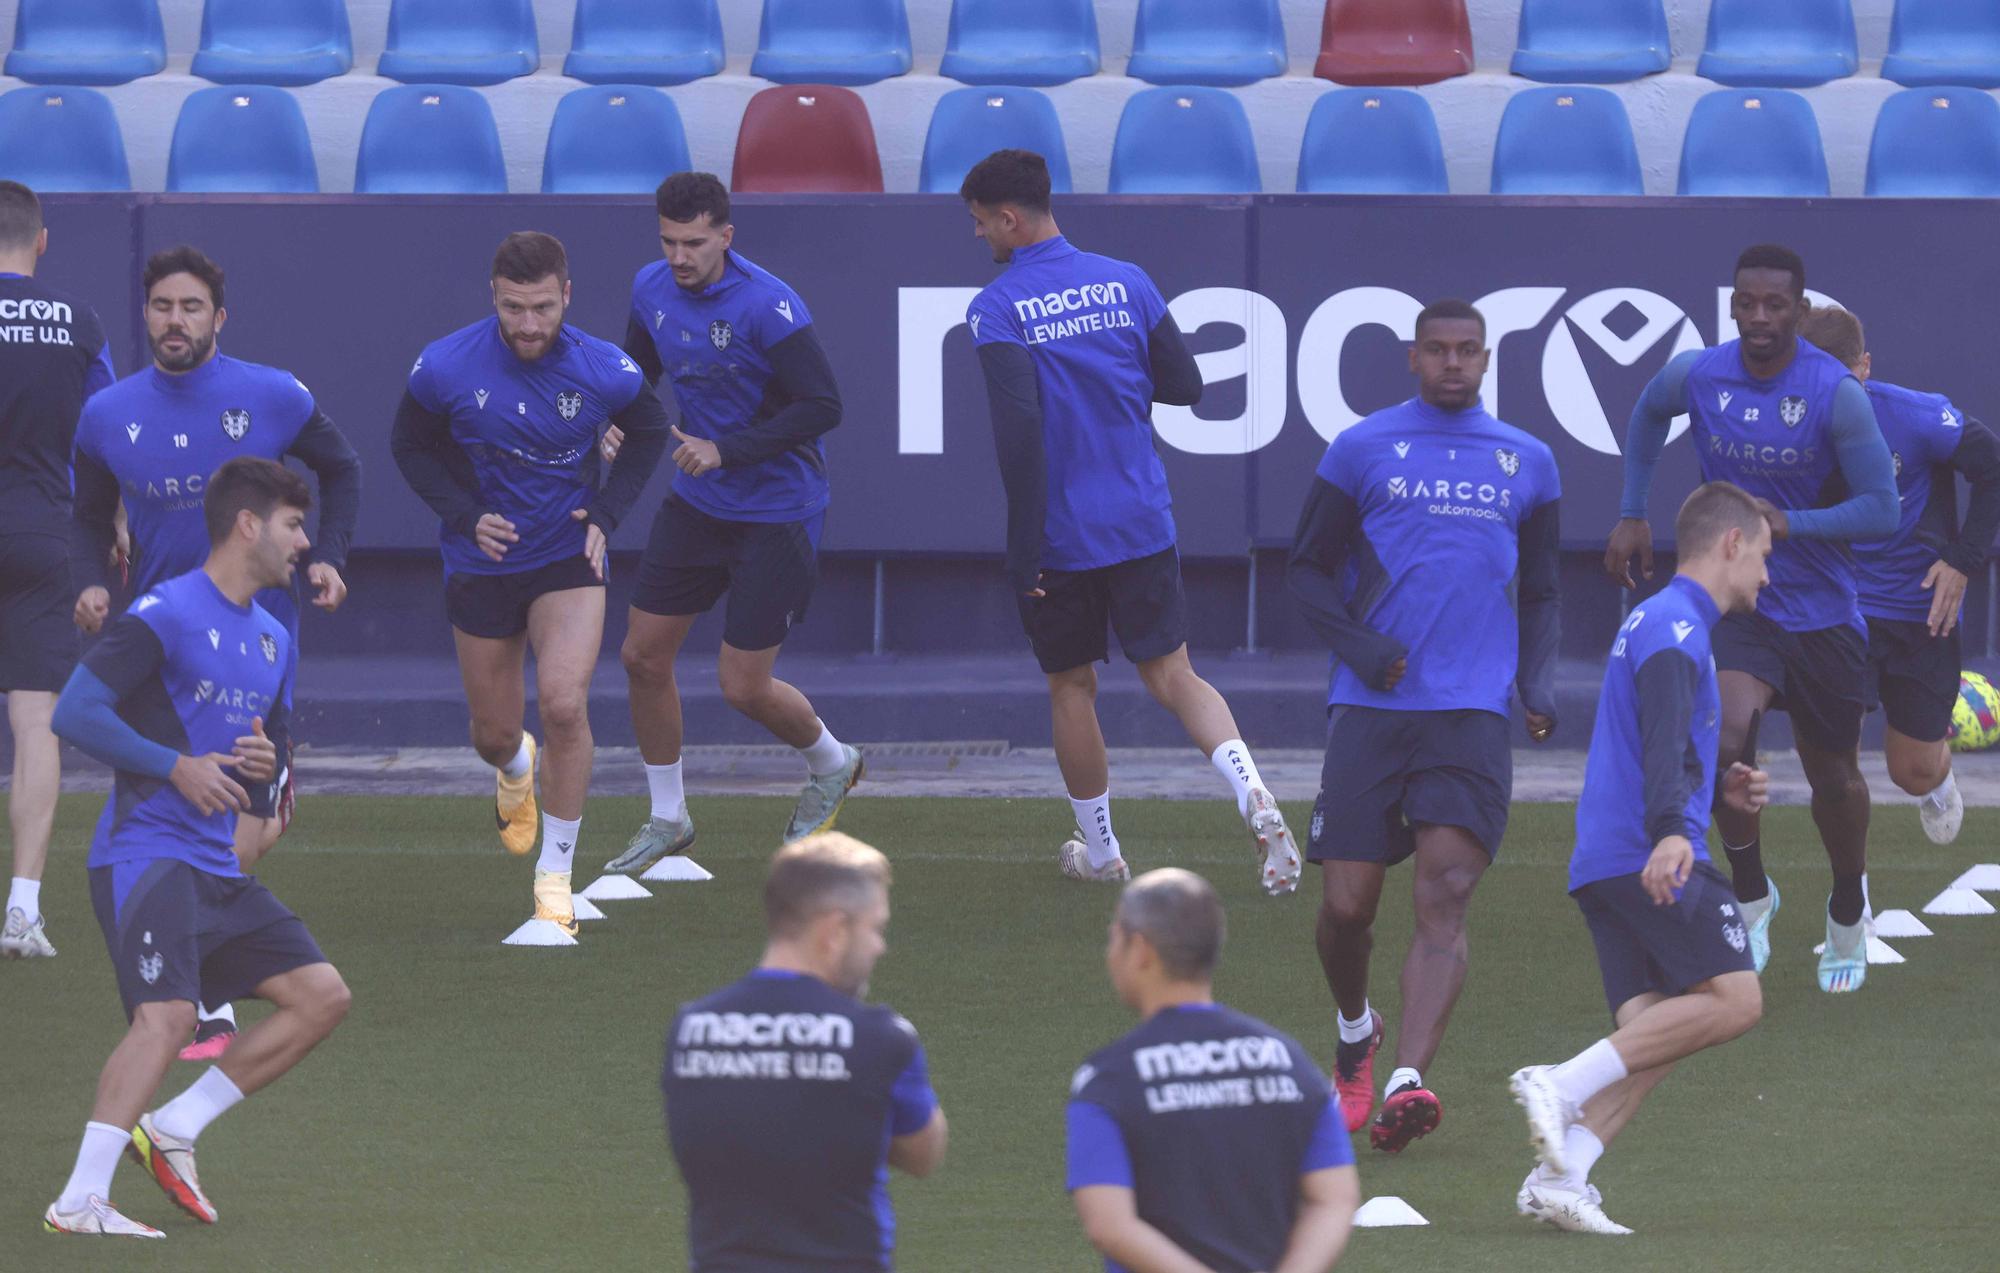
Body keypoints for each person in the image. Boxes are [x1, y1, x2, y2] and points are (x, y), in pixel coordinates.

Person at [958, 148, 1300, 894]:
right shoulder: (1128, 280)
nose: (981, 238)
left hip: (1062, 532)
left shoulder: (997, 308)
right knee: (1175, 673)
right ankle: (1254, 792)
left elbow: (1019, 437)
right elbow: (1186, 384)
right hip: (1142, 517)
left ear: (1010, 220)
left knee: (1071, 687)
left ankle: (1104, 852)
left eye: (983, 225)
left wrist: (1023, 554)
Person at [42, 457, 352, 1238]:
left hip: (217, 868)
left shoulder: (276, 639)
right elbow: (74, 713)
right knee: (169, 1016)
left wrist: (262, 767)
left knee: (323, 997)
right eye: (292, 523)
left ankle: (173, 1127)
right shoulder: (165, 611)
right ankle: (79, 1199)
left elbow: (265, 767)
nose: (305, 540)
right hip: (145, 854)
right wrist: (174, 765)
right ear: (248, 524)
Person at [71, 245, 361, 1054]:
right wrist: (91, 582)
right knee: (185, 805)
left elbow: (342, 468)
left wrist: (329, 552)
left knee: (259, 820)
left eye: (191, 307)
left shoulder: (273, 395)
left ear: (218, 318)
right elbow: (87, 513)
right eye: (162, 306)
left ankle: (194, 970)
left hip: (257, 656)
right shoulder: (107, 414)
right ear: (146, 315)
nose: (175, 320)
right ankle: (195, 992)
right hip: (159, 654)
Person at [1286, 298, 1561, 1152]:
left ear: (1486, 360)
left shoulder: (1530, 461)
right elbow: (1305, 568)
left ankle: (1407, 1078)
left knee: (1444, 895)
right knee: (1346, 907)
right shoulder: (1362, 447)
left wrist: (1537, 682)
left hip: (1471, 711)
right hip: (1371, 709)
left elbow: (1545, 590)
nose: (1452, 362)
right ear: (1412, 358)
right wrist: (1361, 648)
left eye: (1467, 351)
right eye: (1437, 350)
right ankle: (1354, 1029)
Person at [1607, 244, 1898, 994]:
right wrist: (1633, 510)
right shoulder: (1701, 374)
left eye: (1776, 306)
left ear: (1800, 312)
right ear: (1732, 306)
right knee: (1728, 737)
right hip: (1741, 601)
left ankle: (1845, 902)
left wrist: (1789, 523)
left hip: (1825, 612)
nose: (1760, 318)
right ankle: (1751, 892)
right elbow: (1646, 412)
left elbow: (1882, 508)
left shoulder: (1835, 392)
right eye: (1747, 304)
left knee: (1833, 775)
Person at [1511, 480, 1773, 1236]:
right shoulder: (1679, 631)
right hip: (1647, 853)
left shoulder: (1662, 623)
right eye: (1762, 555)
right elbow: (1659, 746)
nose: (1766, 573)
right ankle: (1557, 1083)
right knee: (1736, 998)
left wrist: (1719, 787)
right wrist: (1672, 831)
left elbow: (1663, 746)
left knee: (1659, 1029)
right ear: (1730, 544)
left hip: (1612, 856)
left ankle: (1561, 1176)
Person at [391, 231, 670, 935]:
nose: (528, 324)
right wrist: (463, 514)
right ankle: (516, 764)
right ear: (493, 296)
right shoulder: (444, 365)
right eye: (514, 307)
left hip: (565, 556)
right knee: (492, 732)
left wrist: (607, 513)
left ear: (567, 296)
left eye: (542, 307)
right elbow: (409, 445)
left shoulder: (604, 368)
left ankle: (555, 879)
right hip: (480, 560)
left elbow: (649, 430)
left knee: (565, 704)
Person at [607, 172, 860, 875]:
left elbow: (822, 405)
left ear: (726, 235)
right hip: (699, 504)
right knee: (641, 656)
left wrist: (726, 449)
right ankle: (669, 817)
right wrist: (614, 422)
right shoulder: (650, 287)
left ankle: (832, 763)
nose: (679, 256)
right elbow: (637, 372)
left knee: (743, 686)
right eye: (668, 241)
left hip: (778, 510)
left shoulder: (768, 305)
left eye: (693, 242)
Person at [662, 832, 946, 1271]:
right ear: (833, 932)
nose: (879, 947)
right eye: (875, 928)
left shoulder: (689, 1031)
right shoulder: (880, 1040)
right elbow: (924, 1154)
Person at [1067, 868, 1358, 1273]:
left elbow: (1109, 1225)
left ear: (1141, 950)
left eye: (1114, 936)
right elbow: (1335, 1197)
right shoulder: (1290, 1063)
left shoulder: (1107, 1080)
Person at [1797, 305, 2000, 845]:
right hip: (1837, 611)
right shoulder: (1786, 420)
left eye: (1840, 378)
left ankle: (1939, 771)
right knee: (1834, 766)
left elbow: (1994, 467)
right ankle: (1850, 911)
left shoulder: (1916, 416)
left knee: (1911, 772)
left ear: (1864, 368)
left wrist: (1963, 559)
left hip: (1918, 611)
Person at [0, 180, 114, 960]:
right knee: (36, 720)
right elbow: (107, 438)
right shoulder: (79, 321)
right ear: (41, 242)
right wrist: (116, 524)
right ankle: (23, 907)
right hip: (41, 533)